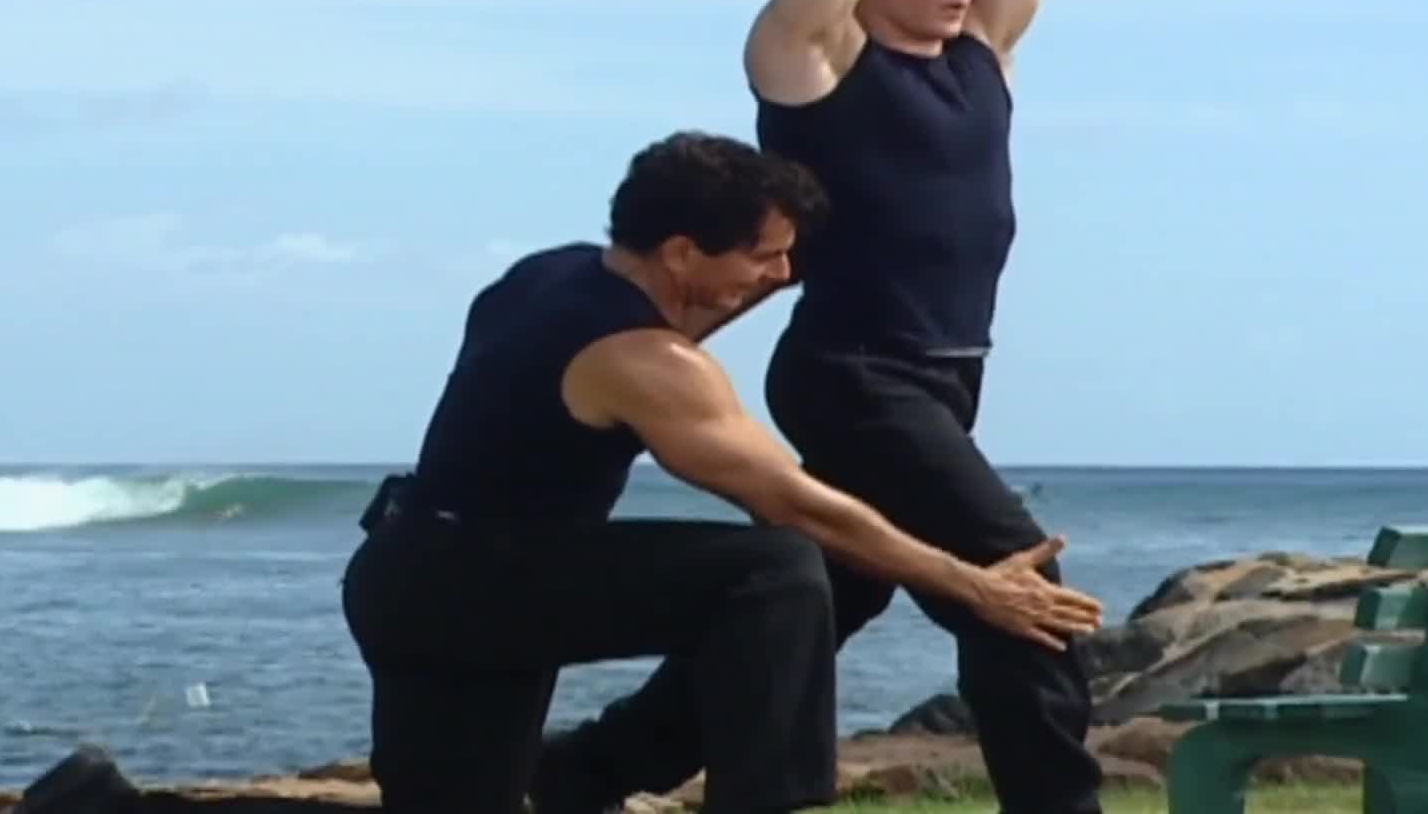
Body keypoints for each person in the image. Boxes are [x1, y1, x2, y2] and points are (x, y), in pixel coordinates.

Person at [533, 0, 1099, 814]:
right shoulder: (815, 63)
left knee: (814, 601)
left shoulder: (983, 59)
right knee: (1023, 595)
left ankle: (575, 779)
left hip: (941, 382)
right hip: (855, 375)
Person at [341, 131, 1104, 814]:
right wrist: (975, 585)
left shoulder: (547, 276)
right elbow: (796, 504)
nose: (781, 274)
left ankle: (583, 778)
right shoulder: (649, 365)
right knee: (775, 571)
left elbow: (686, 308)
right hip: (483, 583)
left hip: (407, 578)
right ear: (680, 251)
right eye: (764, 256)